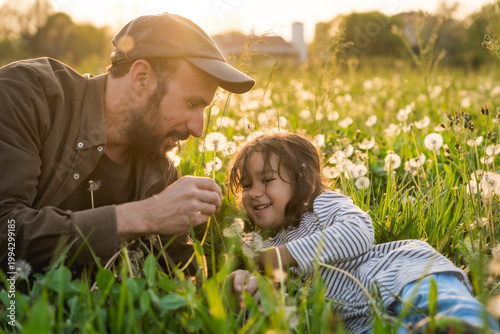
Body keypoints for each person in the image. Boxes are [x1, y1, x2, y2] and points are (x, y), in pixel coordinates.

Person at [0, 12, 255, 275]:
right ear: (141, 77)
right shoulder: (26, 95)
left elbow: (178, 276)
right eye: (192, 104)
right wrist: (145, 215)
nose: (199, 129)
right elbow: (4, 230)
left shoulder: (159, 171)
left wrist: (228, 293)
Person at [227, 132, 499, 334]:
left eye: (267, 179)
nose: (255, 192)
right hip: (360, 320)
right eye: (247, 185)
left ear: (303, 181)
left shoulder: (322, 204)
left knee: (449, 305)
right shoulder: (264, 246)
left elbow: (357, 232)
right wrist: (244, 279)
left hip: (401, 273)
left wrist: (284, 255)